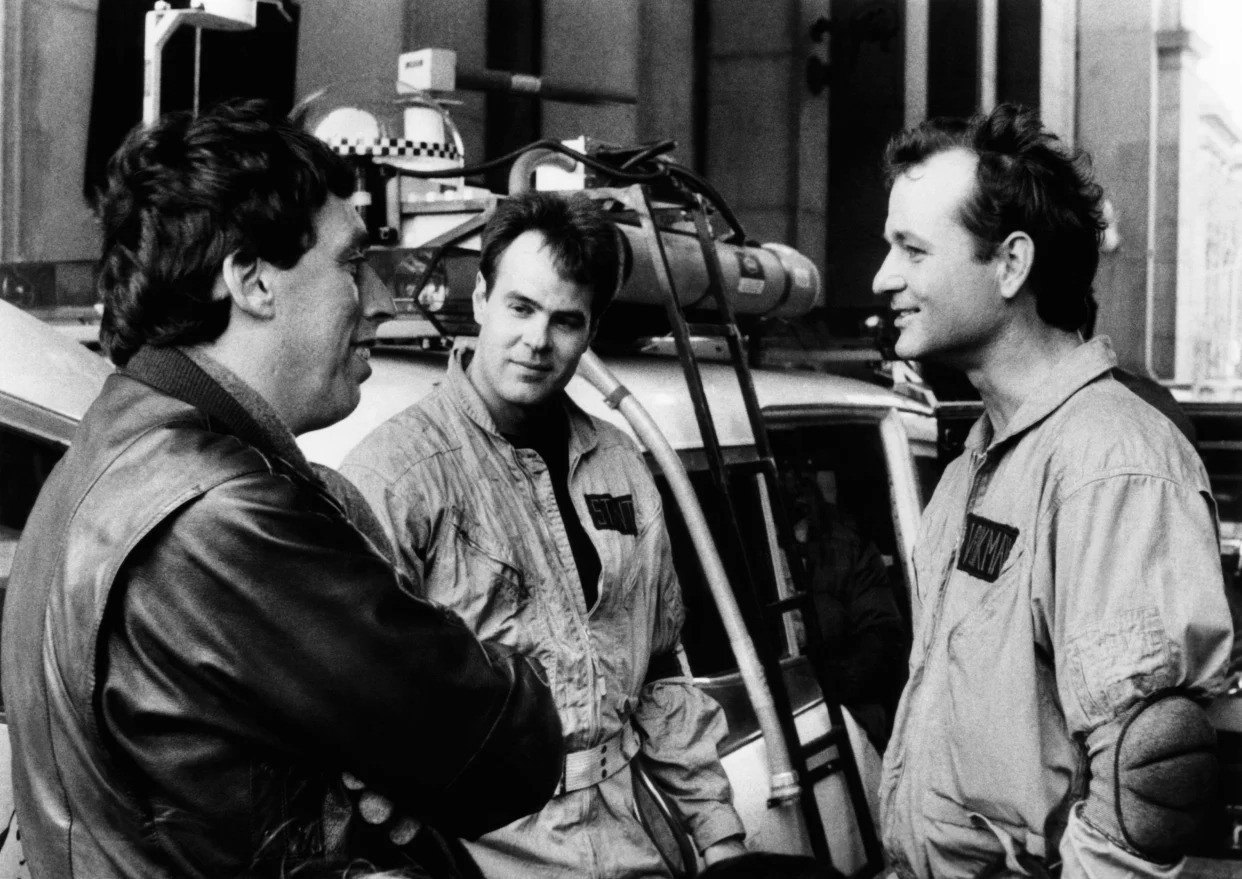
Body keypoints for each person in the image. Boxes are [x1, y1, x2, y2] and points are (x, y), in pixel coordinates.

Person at [0, 101, 562, 879]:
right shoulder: (223, 511)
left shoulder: (107, 455)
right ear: (253, 280)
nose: (380, 300)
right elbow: (509, 749)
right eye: (350, 263)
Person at [337, 191, 748, 878]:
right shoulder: (397, 476)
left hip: (634, 839)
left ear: (590, 334)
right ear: (483, 298)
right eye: (521, 308)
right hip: (481, 854)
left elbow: (659, 677)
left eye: (565, 320)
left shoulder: (620, 461)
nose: (537, 340)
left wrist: (722, 839)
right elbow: (349, 717)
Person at [871, 103, 1233, 878]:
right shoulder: (979, 461)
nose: (882, 277)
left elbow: (1143, 790)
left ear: (1010, 264)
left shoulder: (1111, 465)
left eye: (911, 249)